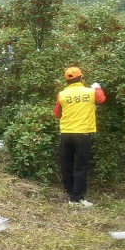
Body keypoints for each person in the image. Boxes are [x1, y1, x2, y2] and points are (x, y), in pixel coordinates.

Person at [53, 67, 105, 207]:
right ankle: (78, 198)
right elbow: (102, 99)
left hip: (66, 133)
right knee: (81, 166)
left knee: (67, 164)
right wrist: (97, 87)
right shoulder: (91, 92)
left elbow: (57, 114)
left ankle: (70, 194)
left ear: (67, 80)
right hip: (83, 133)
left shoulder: (62, 94)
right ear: (81, 78)